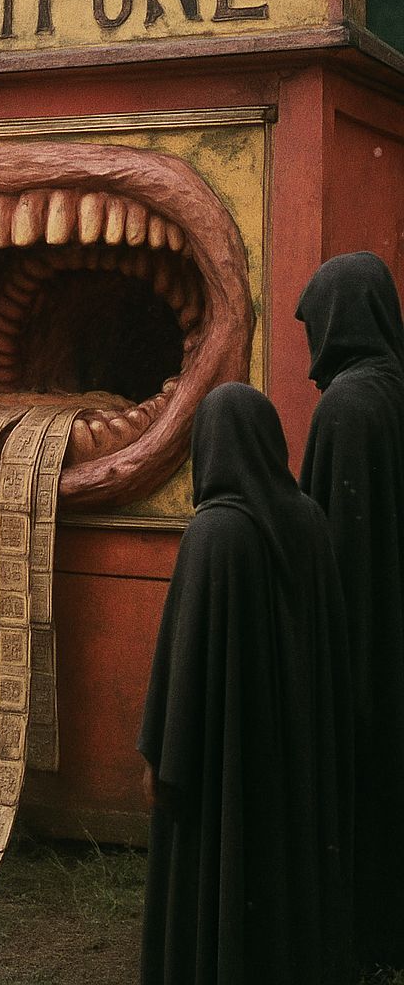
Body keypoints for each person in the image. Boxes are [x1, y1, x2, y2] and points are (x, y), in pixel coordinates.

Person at [138, 382, 353, 985]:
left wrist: (161, 757)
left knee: (219, 869)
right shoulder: (309, 521)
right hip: (291, 765)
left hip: (221, 772)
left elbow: (183, 665)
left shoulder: (213, 534)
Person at [298, 251, 404, 971]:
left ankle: (365, 938)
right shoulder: (394, 389)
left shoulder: (348, 406)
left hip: (362, 638)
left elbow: (334, 544)